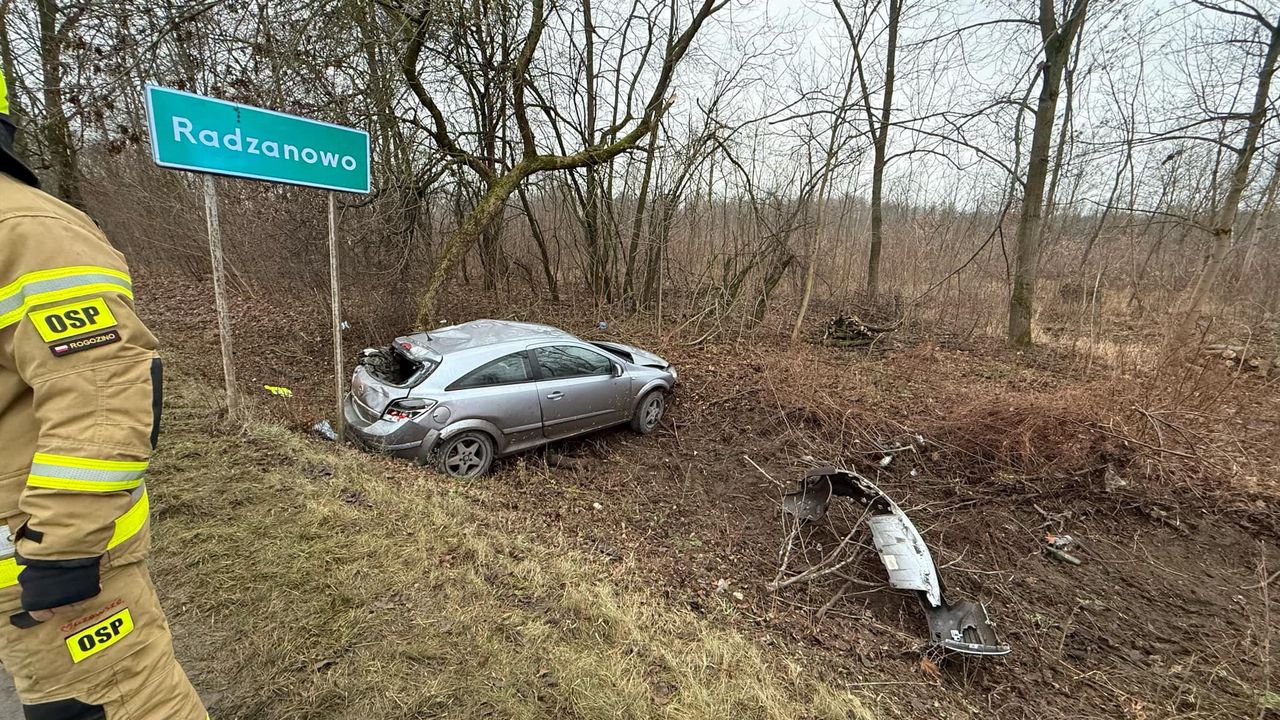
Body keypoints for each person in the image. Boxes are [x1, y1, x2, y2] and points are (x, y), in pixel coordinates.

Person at [0, 69, 208, 719]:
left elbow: (105, 393)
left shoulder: (28, 230)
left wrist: (61, 552)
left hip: (49, 573)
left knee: (114, 705)